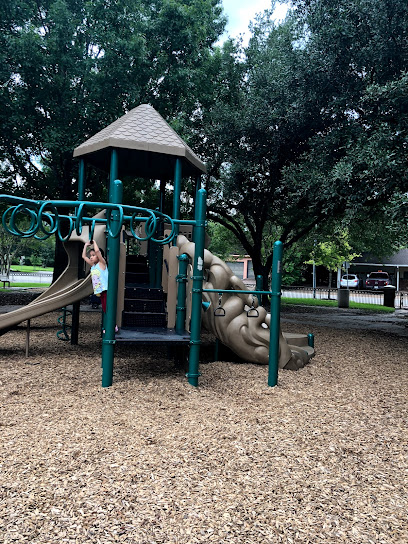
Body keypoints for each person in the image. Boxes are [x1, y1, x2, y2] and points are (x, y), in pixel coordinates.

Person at [82, 240, 109, 313]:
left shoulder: (102, 264)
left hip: (105, 290)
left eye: (93, 255)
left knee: (107, 309)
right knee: (104, 309)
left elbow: (97, 251)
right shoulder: (93, 266)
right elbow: (84, 256)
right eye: (90, 255)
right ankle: (112, 324)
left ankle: (114, 324)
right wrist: (85, 245)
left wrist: (94, 242)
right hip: (99, 291)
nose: (91, 257)